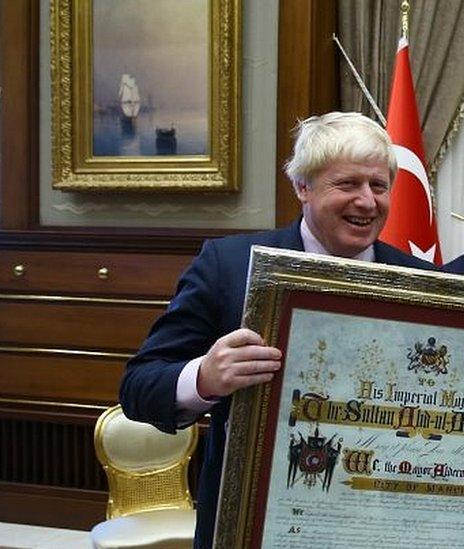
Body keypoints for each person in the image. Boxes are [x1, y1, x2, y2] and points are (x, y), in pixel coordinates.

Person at [118, 112, 432, 548]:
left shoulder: (423, 280)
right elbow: (138, 387)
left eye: (378, 186)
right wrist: (205, 378)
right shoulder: (227, 266)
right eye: (347, 184)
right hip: (256, 521)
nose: (367, 201)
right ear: (303, 187)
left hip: (383, 523)